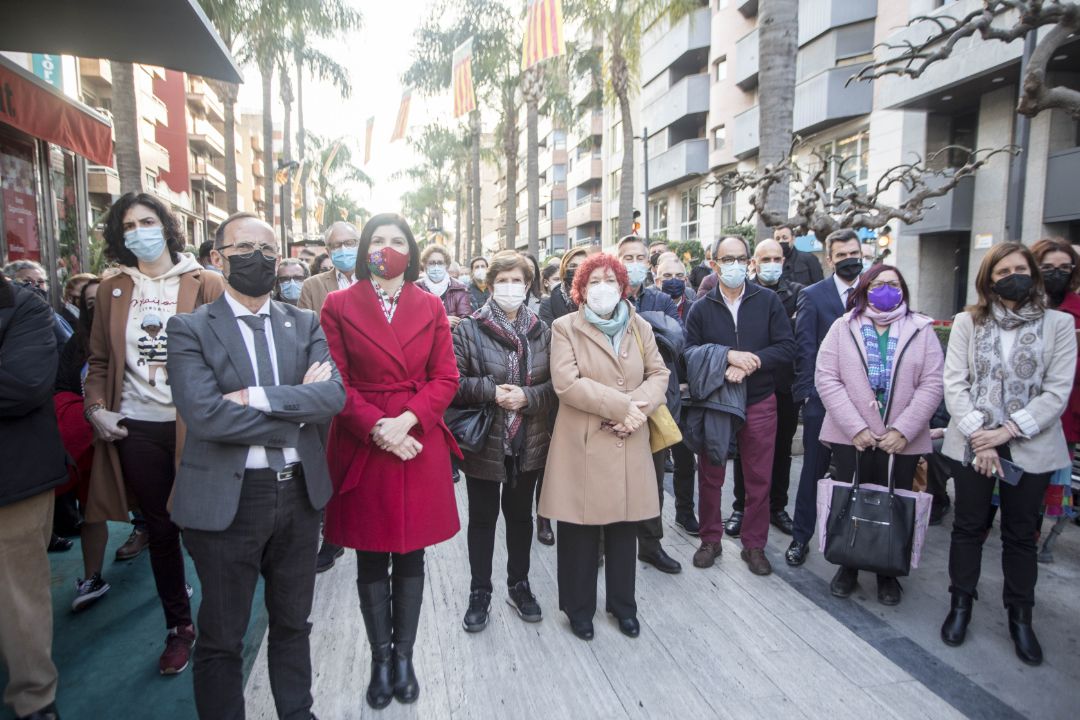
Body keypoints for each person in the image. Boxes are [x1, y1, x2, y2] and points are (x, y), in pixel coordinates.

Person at [167, 212, 345, 720]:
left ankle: (297, 712)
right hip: (229, 502)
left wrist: (256, 397)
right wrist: (294, 411)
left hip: (298, 497)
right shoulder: (189, 329)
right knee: (223, 636)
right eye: (246, 248)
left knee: (294, 623)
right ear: (218, 259)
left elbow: (331, 396)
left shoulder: (305, 323)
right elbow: (205, 415)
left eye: (269, 251)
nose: (261, 259)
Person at [320, 213, 461, 708]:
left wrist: (408, 420)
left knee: (412, 553)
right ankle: (381, 658)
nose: (386, 247)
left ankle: (405, 656)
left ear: (411, 250)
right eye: (376, 240)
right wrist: (378, 426)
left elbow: (446, 376)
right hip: (365, 438)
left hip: (416, 440)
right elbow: (334, 378)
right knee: (369, 554)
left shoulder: (431, 305)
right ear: (363, 250)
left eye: (396, 240)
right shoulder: (338, 304)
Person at [82, 192, 224, 674]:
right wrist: (96, 408)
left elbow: (225, 359)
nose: (138, 231)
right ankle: (179, 627)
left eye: (147, 220)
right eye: (128, 225)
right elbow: (99, 361)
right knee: (161, 530)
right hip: (137, 428)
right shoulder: (112, 289)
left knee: (203, 528)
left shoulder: (205, 283)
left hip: (194, 428)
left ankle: (221, 622)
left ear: (166, 225)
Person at [939, 242, 1075, 666]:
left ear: (1033, 273)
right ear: (988, 279)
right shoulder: (968, 322)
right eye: (1002, 271)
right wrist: (981, 435)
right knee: (968, 527)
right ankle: (960, 604)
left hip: (1029, 445)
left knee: (1020, 535)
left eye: (1020, 268)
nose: (1011, 276)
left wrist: (1007, 432)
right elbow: (954, 383)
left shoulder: (1058, 325)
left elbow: (1057, 391)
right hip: (972, 444)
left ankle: (1020, 617)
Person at [541, 252, 669, 641]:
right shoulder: (564, 327)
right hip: (584, 440)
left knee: (623, 528)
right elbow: (566, 383)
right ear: (580, 289)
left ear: (622, 286)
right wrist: (622, 406)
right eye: (593, 281)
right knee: (579, 530)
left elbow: (658, 372)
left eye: (610, 280)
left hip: (629, 438)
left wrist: (638, 411)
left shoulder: (639, 324)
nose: (603, 288)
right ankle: (578, 609)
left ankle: (622, 605)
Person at [815, 264, 944, 605]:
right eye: (878, 284)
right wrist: (856, 427)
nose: (886, 289)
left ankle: (889, 571)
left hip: (902, 439)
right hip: (852, 437)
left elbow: (933, 382)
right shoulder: (843, 327)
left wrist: (903, 430)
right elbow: (826, 377)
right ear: (865, 289)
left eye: (894, 284)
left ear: (904, 289)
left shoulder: (921, 329)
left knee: (896, 502)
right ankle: (848, 565)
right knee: (849, 500)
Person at [452, 251, 555, 632]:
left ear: (528, 285)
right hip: (485, 440)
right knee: (481, 520)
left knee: (520, 518)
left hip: (528, 439)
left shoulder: (543, 331)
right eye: (503, 280)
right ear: (491, 285)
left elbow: (556, 387)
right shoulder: (468, 329)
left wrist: (528, 398)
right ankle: (480, 591)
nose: (511, 287)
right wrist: (493, 391)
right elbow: (453, 384)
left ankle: (519, 584)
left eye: (518, 281)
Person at [685, 236, 795, 576]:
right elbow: (687, 354)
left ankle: (754, 545)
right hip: (716, 402)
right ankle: (710, 539)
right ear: (714, 263)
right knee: (711, 473)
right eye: (726, 258)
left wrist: (752, 361)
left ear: (749, 263)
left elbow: (787, 348)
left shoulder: (768, 301)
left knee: (759, 477)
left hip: (759, 400)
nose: (733, 264)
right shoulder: (701, 307)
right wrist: (725, 357)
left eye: (740, 258)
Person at [0, 272, 66, 720]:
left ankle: (34, 700)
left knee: (18, 596)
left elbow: (22, 386)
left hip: (12, 478)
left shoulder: (25, 307)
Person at [785, 229, 865, 567]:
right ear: (829, 259)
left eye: (854, 252)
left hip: (865, 405)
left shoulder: (874, 293)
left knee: (858, 476)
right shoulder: (814, 295)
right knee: (812, 473)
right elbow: (805, 347)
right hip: (823, 401)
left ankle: (853, 544)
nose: (850, 259)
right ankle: (801, 538)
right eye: (842, 254)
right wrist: (809, 395)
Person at [727, 239, 803, 538]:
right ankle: (740, 507)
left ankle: (776, 507)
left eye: (777, 258)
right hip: (747, 385)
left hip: (783, 385)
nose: (772, 263)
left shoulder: (796, 293)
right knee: (743, 451)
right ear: (753, 263)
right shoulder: (742, 294)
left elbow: (790, 342)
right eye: (765, 258)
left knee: (781, 451)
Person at [617, 235, 682, 574]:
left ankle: (650, 544)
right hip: (611, 405)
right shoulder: (601, 296)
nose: (634, 263)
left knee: (653, 478)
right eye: (627, 256)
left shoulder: (662, 299)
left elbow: (672, 343)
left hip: (653, 404)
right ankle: (603, 543)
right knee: (610, 477)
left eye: (640, 257)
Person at [299, 221, 361, 572]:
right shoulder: (313, 286)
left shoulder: (376, 280)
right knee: (329, 460)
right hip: (329, 383)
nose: (343, 249)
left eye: (350, 242)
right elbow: (310, 333)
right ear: (328, 250)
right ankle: (333, 538)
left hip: (370, 384)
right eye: (336, 244)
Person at [55, 277, 115, 611]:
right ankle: (92, 575)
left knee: (158, 510)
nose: (100, 308)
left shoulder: (134, 337)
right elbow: (62, 388)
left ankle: (172, 577)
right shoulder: (76, 344)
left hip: (137, 435)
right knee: (92, 510)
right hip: (92, 442)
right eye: (91, 303)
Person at [535, 245, 589, 546]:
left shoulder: (598, 297)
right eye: (572, 265)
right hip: (558, 390)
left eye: (584, 264)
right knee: (551, 457)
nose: (577, 269)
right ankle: (544, 516)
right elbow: (548, 343)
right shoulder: (551, 301)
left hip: (592, 389)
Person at [1031, 238, 1080, 523]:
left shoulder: (1075, 312)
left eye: (1064, 267)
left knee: (1044, 481)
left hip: (1064, 413)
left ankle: (1033, 531)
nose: (1056, 273)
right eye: (1047, 267)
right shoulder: (1020, 308)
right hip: (1016, 409)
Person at [655, 256, 699, 535]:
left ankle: (685, 512)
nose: (674, 280)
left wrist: (689, 383)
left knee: (686, 458)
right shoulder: (649, 305)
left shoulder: (697, 308)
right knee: (656, 465)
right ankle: (652, 525)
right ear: (656, 278)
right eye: (667, 275)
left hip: (689, 395)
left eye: (680, 275)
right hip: (660, 395)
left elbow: (698, 347)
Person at [3, 260, 73, 346]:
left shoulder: (56, 317)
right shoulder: (10, 319)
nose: (36, 286)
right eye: (27, 281)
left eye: (40, 282)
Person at [416, 244, 471, 326]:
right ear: (425, 266)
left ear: (447, 266)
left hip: (452, 337)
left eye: (440, 263)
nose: (436, 267)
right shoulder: (416, 288)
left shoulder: (459, 287)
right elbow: (413, 320)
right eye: (431, 263)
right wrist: (442, 321)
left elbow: (465, 322)